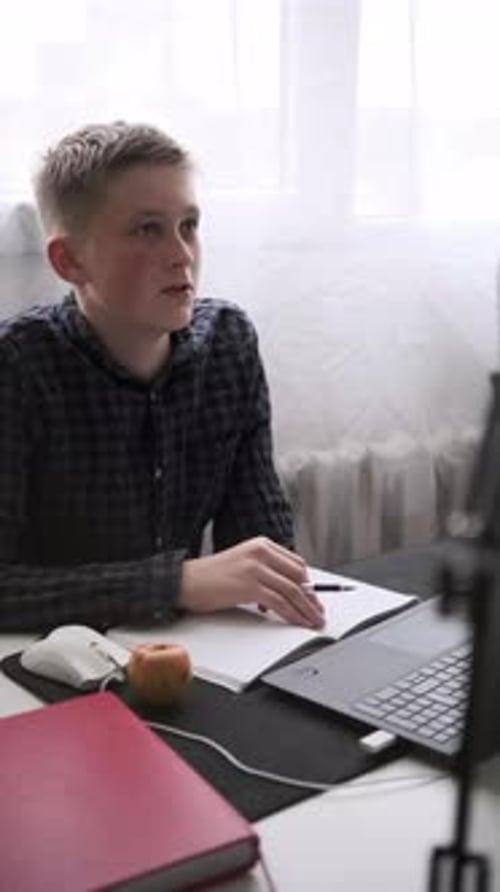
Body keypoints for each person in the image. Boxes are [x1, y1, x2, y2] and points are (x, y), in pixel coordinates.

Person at [0, 121, 325, 632]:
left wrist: (281, 590)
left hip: (186, 651)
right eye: (147, 229)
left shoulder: (228, 341)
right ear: (70, 260)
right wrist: (175, 583)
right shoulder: (17, 366)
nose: (182, 255)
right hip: (43, 660)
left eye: (189, 225)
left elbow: (260, 539)